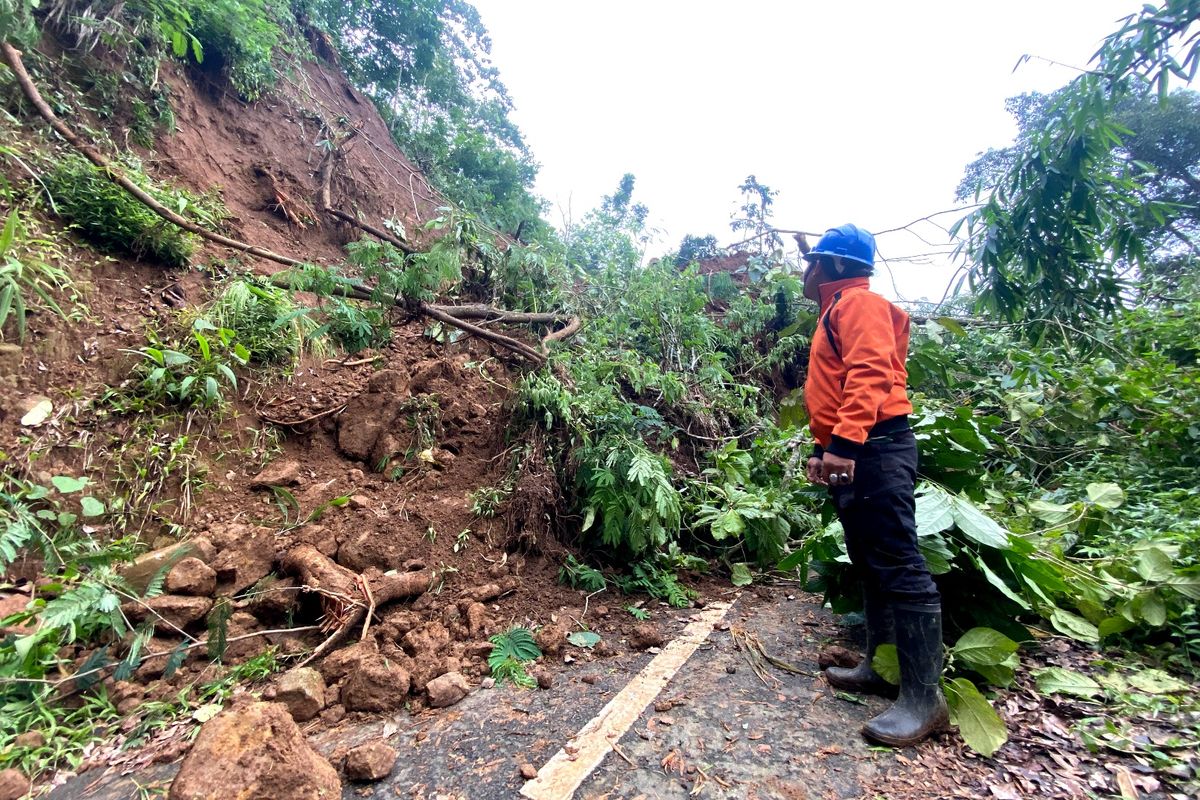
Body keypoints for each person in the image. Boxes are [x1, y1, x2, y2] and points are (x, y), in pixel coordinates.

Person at [798, 224, 948, 747]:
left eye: (813, 262)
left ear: (835, 267)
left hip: (878, 448)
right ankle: (880, 668)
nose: (806, 270)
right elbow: (838, 390)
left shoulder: (856, 305)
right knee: (868, 556)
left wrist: (847, 445)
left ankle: (925, 700)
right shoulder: (836, 309)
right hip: (864, 445)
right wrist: (826, 450)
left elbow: (870, 374)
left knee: (898, 561)